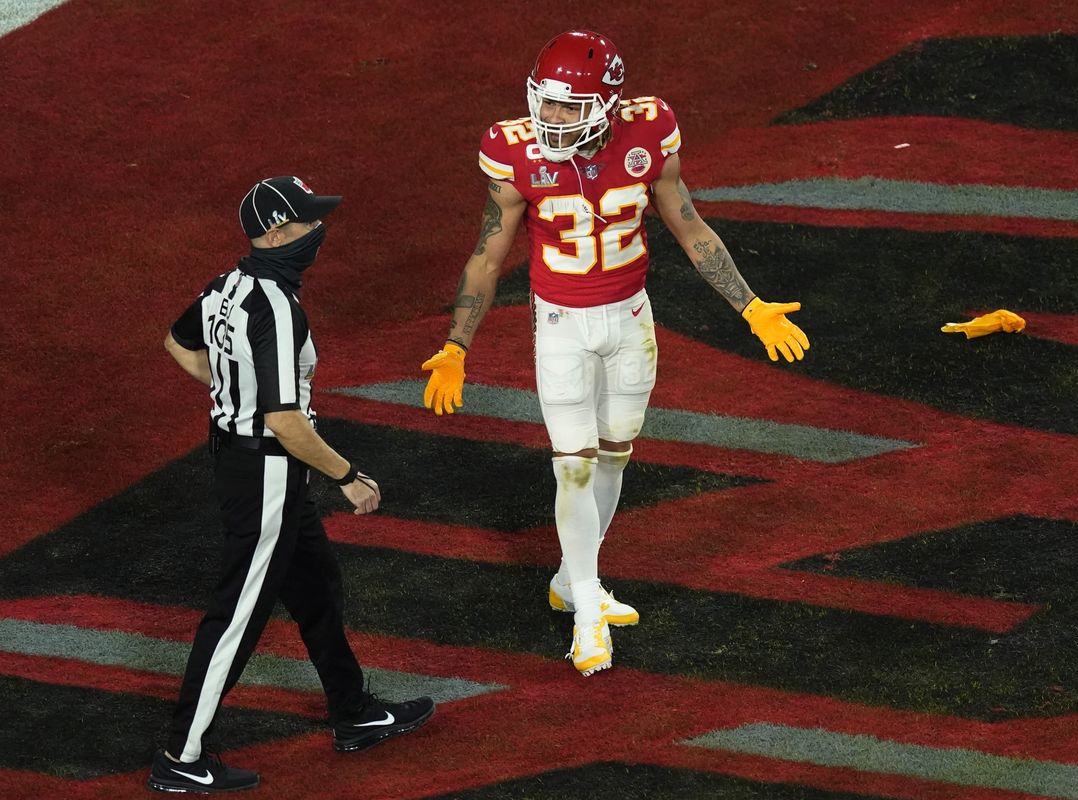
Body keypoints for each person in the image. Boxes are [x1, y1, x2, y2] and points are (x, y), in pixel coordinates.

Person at [419, 31, 810, 677]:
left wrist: (750, 304)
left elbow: (689, 225)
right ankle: (586, 615)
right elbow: (488, 254)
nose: (551, 118)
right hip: (562, 326)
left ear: (605, 103)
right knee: (572, 465)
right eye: (545, 103)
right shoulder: (512, 151)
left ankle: (574, 581)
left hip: (632, 319)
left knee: (616, 452)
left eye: (569, 107)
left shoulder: (650, 129)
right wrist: (457, 345)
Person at [150, 176, 434, 793]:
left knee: (316, 587)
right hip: (267, 470)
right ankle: (181, 754)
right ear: (278, 234)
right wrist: (348, 476)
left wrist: (232, 396)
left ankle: (354, 713)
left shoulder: (229, 284)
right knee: (236, 615)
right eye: (308, 223)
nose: (319, 232)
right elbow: (284, 420)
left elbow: (177, 343)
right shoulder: (276, 306)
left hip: (247, 461)